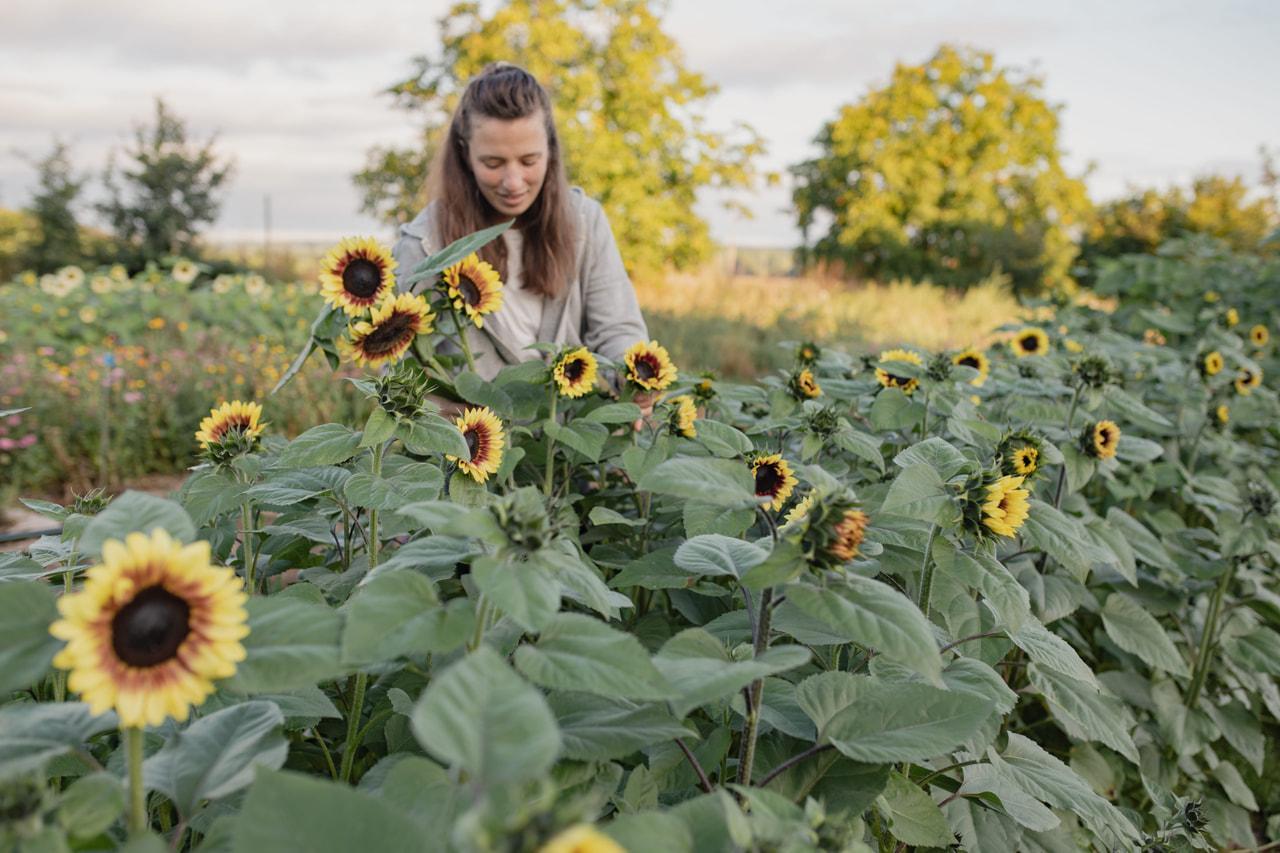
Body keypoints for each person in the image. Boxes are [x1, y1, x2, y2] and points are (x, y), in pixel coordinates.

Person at [392, 62, 655, 425]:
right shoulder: (423, 246)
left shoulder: (584, 221)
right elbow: (404, 372)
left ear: (550, 149)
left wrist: (632, 376)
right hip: (469, 460)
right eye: (493, 162)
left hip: (564, 461)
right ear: (464, 153)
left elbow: (616, 329)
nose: (513, 182)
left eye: (529, 160)